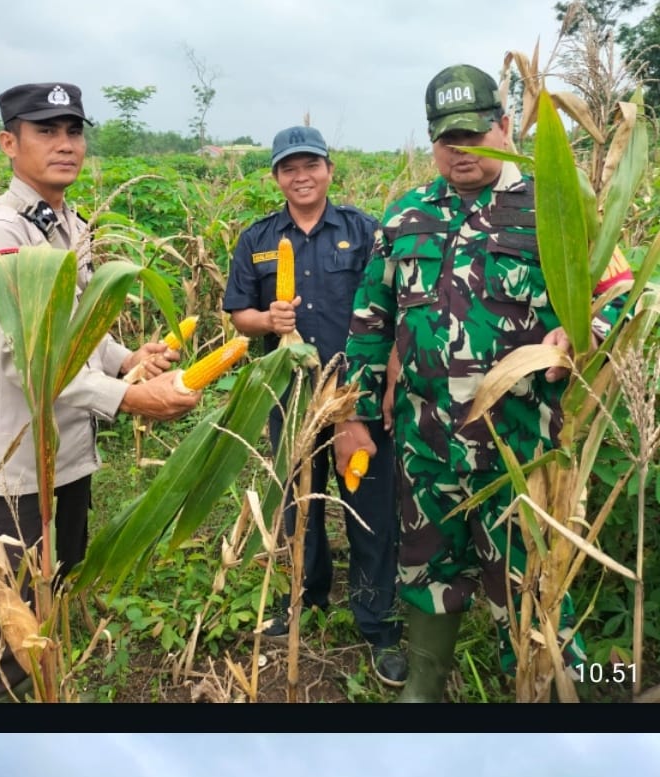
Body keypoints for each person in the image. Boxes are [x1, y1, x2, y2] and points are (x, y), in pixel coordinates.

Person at [338, 65, 626, 702]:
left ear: (503, 126)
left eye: (473, 134)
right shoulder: (407, 215)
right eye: (446, 138)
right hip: (424, 443)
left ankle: (559, 687)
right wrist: (353, 417)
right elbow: (370, 322)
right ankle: (424, 685)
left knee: (528, 578)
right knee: (425, 566)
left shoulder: (555, 205)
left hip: (521, 448)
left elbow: (623, 293)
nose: (459, 150)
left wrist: (590, 329)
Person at [0, 81, 201, 703]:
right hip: (14, 476)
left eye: (73, 131)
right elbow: (27, 363)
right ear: (9, 143)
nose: (65, 145)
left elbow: (78, 336)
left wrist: (126, 359)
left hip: (65, 463)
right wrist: (128, 398)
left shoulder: (66, 224)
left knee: (51, 604)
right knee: (0, 641)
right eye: (45, 131)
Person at [223, 125, 406, 688]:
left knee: (371, 506)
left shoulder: (365, 230)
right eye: (288, 168)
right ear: (276, 177)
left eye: (311, 165)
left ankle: (378, 621)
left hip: (357, 394)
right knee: (298, 502)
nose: (301, 176)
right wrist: (266, 321)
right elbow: (238, 314)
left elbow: (396, 301)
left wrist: (392, 377)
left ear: (329, 169)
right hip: (293, 392)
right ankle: (306, 597)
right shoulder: (256, 237)